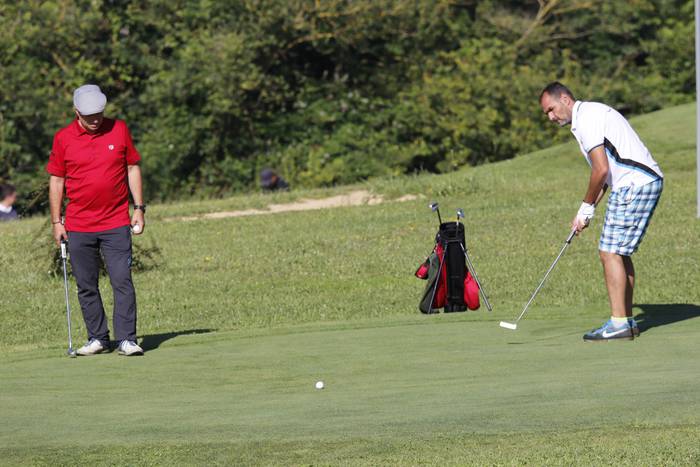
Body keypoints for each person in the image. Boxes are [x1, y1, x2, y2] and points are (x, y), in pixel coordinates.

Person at [539, 82, 663, 342]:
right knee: (619, 252)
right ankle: (626, 321)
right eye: (546, 113)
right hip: (639, 182)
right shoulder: (588, 116)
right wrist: (586, 211)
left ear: (565, 99)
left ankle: (619, 324)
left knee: (609, 253)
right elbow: (605, 176)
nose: (550, 117)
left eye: (551, 109)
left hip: (634, 183)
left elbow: (601, 170)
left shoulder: (587, 119)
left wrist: (586, 206)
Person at [47, 84, 146, 356]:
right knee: (86, 285)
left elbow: (132, 167)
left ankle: (126, 339)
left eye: (99, 113)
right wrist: (56, 221)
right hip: (79, 225)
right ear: (76, 111)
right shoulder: (63, 138)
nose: (95, 119)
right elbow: (57, 180)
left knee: (122, 280)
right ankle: (98, 338)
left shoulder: (119, 129)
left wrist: (139, 208)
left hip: (116, 222)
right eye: (89, 115)